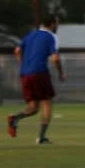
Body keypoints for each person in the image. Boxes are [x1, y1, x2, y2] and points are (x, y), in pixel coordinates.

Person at [7, 14, 65, 144]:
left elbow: (17, 50)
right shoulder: (51, 36)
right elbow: (55, 58)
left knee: (33, 107)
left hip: (25, 74)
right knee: (47, 103)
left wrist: (24, 64)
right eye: (57, 23)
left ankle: (15, 118)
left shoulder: (31, 35)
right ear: (52, 24)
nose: (58, 26)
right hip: (40, 73)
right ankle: (41, 137)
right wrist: (61, 73)